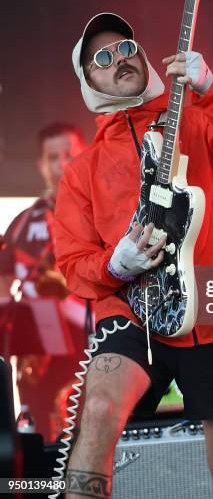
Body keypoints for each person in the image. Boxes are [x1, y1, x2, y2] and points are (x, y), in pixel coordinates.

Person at [54, 12, 213, 499]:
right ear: (88, 80)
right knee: (97, 412)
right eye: (103, 58)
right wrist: (117, 264)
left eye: (126, 47)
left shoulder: (197, 114)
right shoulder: (81, 171)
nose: (121, 59)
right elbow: (73, 266)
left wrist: (212, 86)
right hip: (133, 312)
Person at [0, 122, 88, 440]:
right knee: (39, 449)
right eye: (52, 157)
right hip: (36, 364)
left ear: (85, 156)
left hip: (94, 355)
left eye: (68, 155)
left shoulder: (101, 214)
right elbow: (3, 284)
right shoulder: (23, 222)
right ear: (41, 164)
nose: (61, 165)